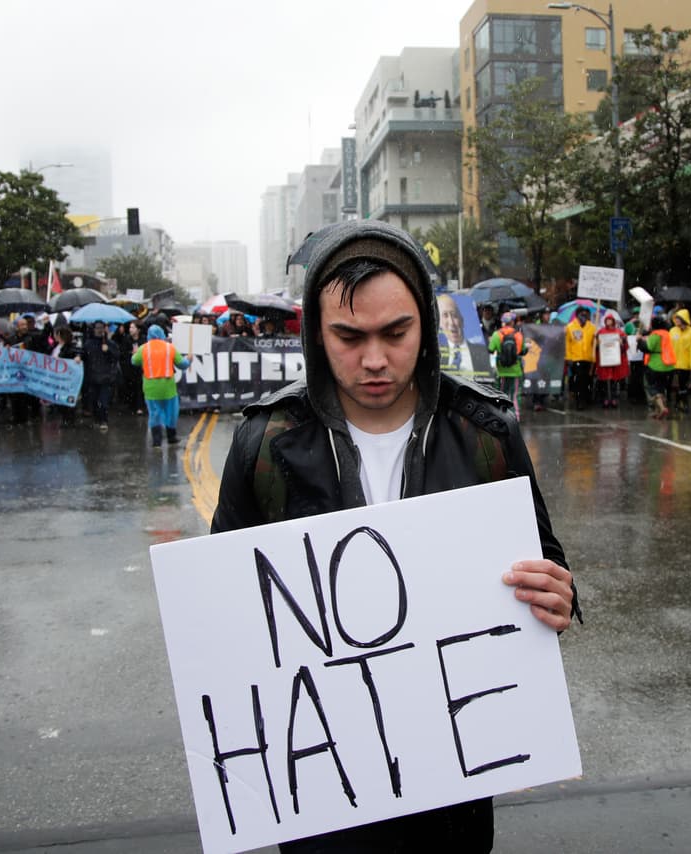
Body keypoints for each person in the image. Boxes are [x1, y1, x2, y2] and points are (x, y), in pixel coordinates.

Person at [210, 219, 579, 853]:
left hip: (450, 797)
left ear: (425, 328)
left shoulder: (486, 433)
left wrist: (557, 595)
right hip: (319, 797)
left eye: (395, 333)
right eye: (348, 337)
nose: (374, 359)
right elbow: (228, 613)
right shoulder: (265, 444)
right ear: (315, 335)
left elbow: (547, 563)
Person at [133, 324, 191, 447]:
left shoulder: (144, 348)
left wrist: (135, 353)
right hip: (168, 387)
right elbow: (182, 364)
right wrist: (189, 359)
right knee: (171, 412)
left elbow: (134, 361)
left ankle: (157, 440)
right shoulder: (170, 348)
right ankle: (171, 436)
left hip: (151, 387)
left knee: (154, 413)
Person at [82, 320, 120, 432]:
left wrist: (108, 351)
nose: (99, 330)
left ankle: (104, 420)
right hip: (92, 377)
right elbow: (83, 355)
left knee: (104, 401)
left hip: (105, 378)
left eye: (101, 328)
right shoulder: (88, 343)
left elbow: (116, 356)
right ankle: (97, 419)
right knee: (94, 400)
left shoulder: (110, 344)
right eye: (97, 328)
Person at [488, 311, 527, 414]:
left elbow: (491, 350)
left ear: (503, 322)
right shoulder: (518, 335)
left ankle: (501, 415)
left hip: (501, 370)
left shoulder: (497, 334)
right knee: (514, 395)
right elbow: (523, 351)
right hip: (516, 370)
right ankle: (515, 417)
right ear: (513, 322)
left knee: (501, 394)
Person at [643, 316, 676, 419]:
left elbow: (648, 348)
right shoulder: (668, 334)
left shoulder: (655, 335)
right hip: (668, 365)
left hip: (655, 364)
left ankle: (662, 408)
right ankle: (658, 411)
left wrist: (640, 342)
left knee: (652, 387)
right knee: (661, 387)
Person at [593, 314, 629, 408]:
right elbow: (595, 346)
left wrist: (622, 341)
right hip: (605, 360)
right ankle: (605, 398)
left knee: (614, 381)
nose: (608, 321)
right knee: (604, 381)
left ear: (613, 321)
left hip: (614, 360)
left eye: (610, 319)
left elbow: (625, 343)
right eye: (607, 319)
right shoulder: (601, 331)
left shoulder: (618, 332)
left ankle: (613, 399)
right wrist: (596, 339)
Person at [564, 307, 596, 410]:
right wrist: (568, 358)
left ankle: (586, 398)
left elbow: (595, 344)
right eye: (582, 314)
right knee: (579, 380)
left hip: (588, 358)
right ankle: (579, 401)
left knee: (587, 380)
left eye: (586, 314)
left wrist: (597, 338)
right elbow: (567, 344)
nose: (584, 316)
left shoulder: (592, 327)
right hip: (575, 358)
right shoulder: (570, 327)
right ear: (577, 315)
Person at [669, 308, 691, 413]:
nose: (676, 320)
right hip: (672, 362)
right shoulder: (672, 331)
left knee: (683, 385)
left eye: (678, 318)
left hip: (684, 363)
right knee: (673, 384)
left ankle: (684, 403)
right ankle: (677, 403)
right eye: (675, 318)